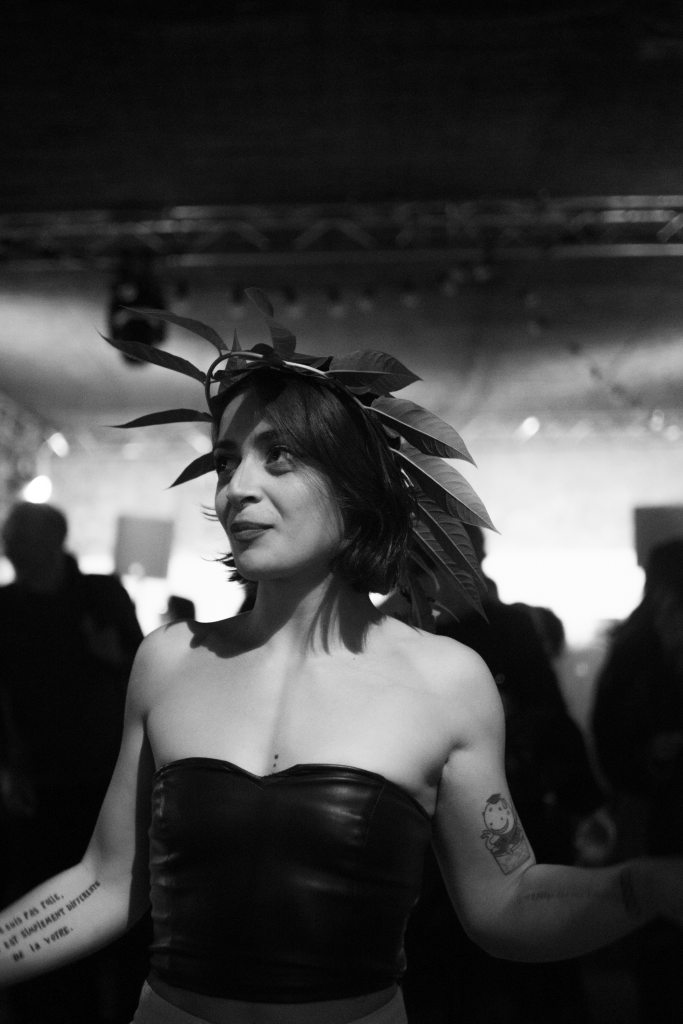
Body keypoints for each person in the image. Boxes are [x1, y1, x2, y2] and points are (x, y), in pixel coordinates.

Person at [0, 293, 682, 1024]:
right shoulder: (171, 661)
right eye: (227, 461)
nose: (237, 489)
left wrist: (642, 886)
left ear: (356, 490)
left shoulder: (445, 682)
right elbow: (106, 883)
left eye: (279, 456)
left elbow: (507, 901)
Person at [0, 501, 146, 1022]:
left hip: (108, 778)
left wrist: (113, 655)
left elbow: (144, 671)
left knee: (118, 908)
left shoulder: (100, 594)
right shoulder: (6, 606)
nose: (9, 547)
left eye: (18, 537)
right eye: (9, 537)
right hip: (38, 782)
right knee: (41, 894)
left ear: (53, 541)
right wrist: (8, 767)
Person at [592, 538, 683, 1022]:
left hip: (648, 803)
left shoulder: (634, 642)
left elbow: (609, 733)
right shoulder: (645, 644)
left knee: (653, 925)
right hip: (657, 802)